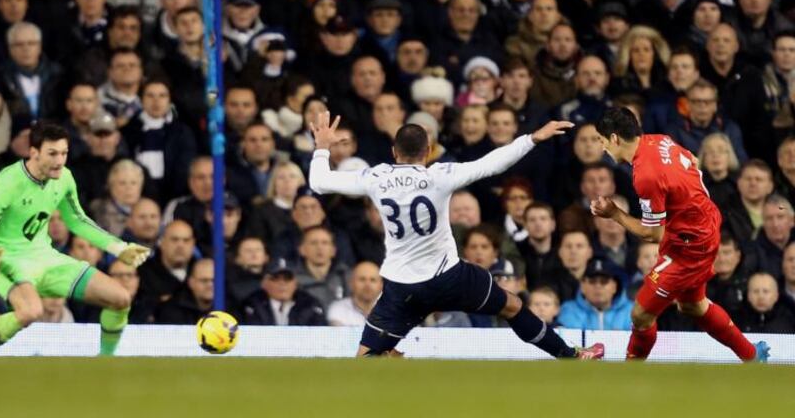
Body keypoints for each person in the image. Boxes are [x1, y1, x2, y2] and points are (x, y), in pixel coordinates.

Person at [308, 110, 602, 359]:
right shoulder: (439, 175)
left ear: (394, 152)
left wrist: (322, 147)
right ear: (428, 151)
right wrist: (532, 138)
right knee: (512, 306)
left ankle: (383, 363)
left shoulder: (375, 177)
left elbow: (319, 182)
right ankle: (573, 356)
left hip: (401, 286)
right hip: (449, 278)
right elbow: (492, 164)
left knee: (364, 359)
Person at [591, 107, 769, 361]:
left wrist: (614, 214)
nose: (602, 148)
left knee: (640, 315)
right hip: (701, 227)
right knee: (693, 305)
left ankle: (627, 373)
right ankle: (751, 355)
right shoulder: (659, 140)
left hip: (689, 246)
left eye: (601, 140)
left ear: (615, 139)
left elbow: (652, 234)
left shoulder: (646, 175)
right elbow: (693, 162)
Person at [0, 122, 152, 356]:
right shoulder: (5, 183)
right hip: (9, 261)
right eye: (52, 153)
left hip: (47, 258)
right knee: (30, 312)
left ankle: (106, 363)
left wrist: (118, 247)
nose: (60, 160)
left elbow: (77, 220)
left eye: (64, 153)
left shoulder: (63, 178)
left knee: (121, 298)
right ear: (34, 152)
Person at [557, 258, 633, 331]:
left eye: (604, 281)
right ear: (582, 286)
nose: (598, 286)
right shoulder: (569, 310)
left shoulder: (631, 311)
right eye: (592, 281)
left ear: (614, 287)